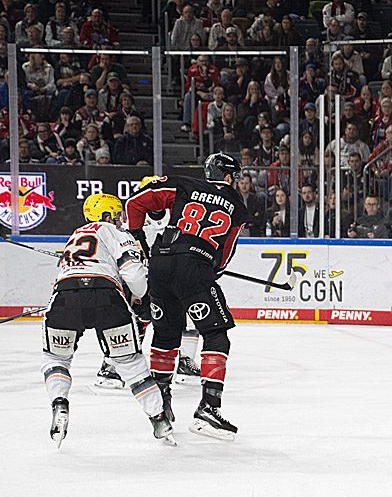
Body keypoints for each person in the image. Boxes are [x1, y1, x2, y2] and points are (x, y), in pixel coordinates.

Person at [125, 153, 249, 441]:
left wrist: (139, 242)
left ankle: (162, 404)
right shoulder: (238, 207)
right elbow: (225, 253)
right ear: (228, 176)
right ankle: (208, 408)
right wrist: (207, 270)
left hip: (160, 264)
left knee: (166, 336)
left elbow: (135, 203)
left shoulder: (183, 184)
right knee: (216, 334)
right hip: (194, 268)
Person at [41, 193, 175, 447]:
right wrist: (144, 297)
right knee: (130, 363)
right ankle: (159, 419)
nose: (120, 219)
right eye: (116, 214)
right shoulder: (115, 233)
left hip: (64, 298)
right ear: (106, 215)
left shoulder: (76, 235)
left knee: (56, 358)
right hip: (106, 297)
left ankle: (59, 402)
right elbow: (132, 274)